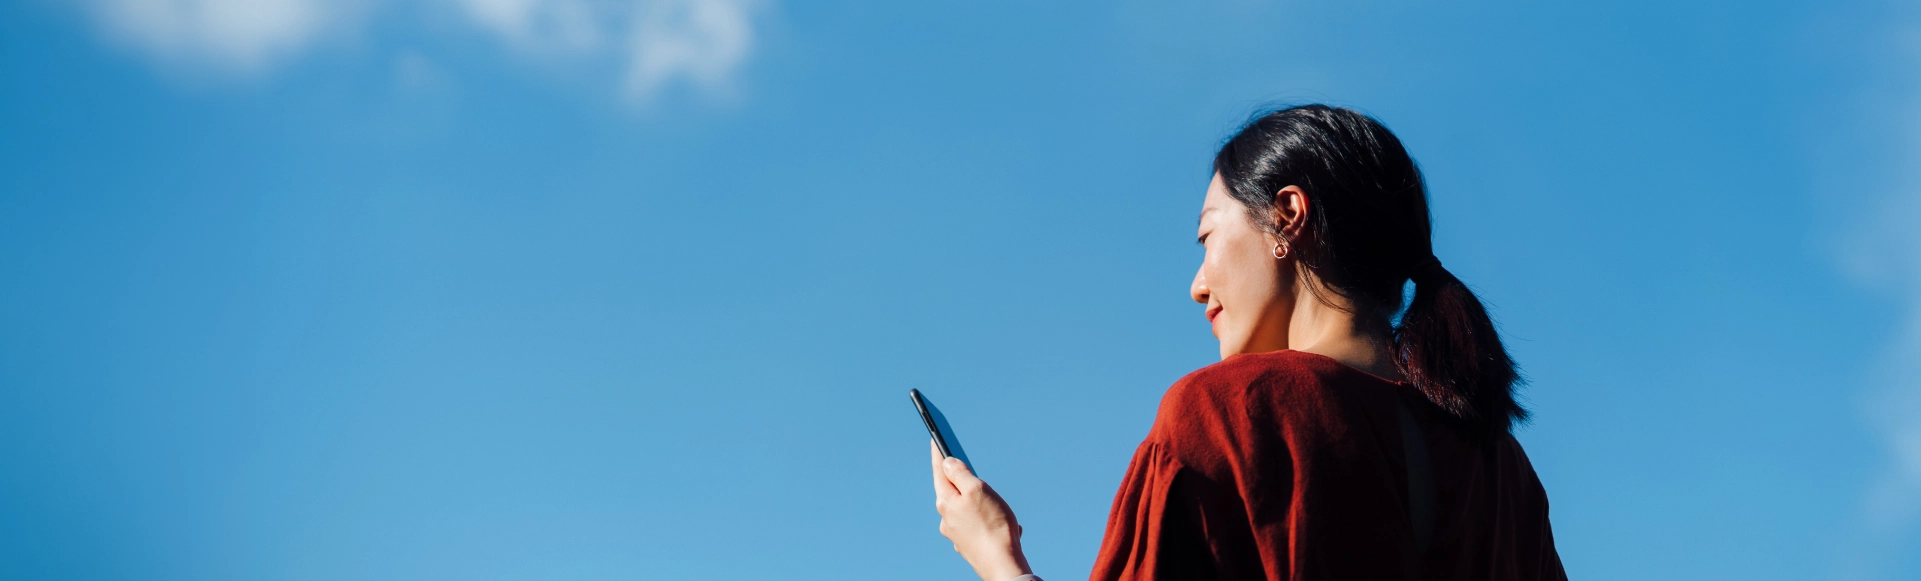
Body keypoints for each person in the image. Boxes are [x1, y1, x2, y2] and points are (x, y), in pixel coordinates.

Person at [929, 104, 1567, 581]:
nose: (1197, 287)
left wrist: (998, 558)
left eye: (1207, 238)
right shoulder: (1505, 470)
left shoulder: (1224, 412)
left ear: (1288, 215)